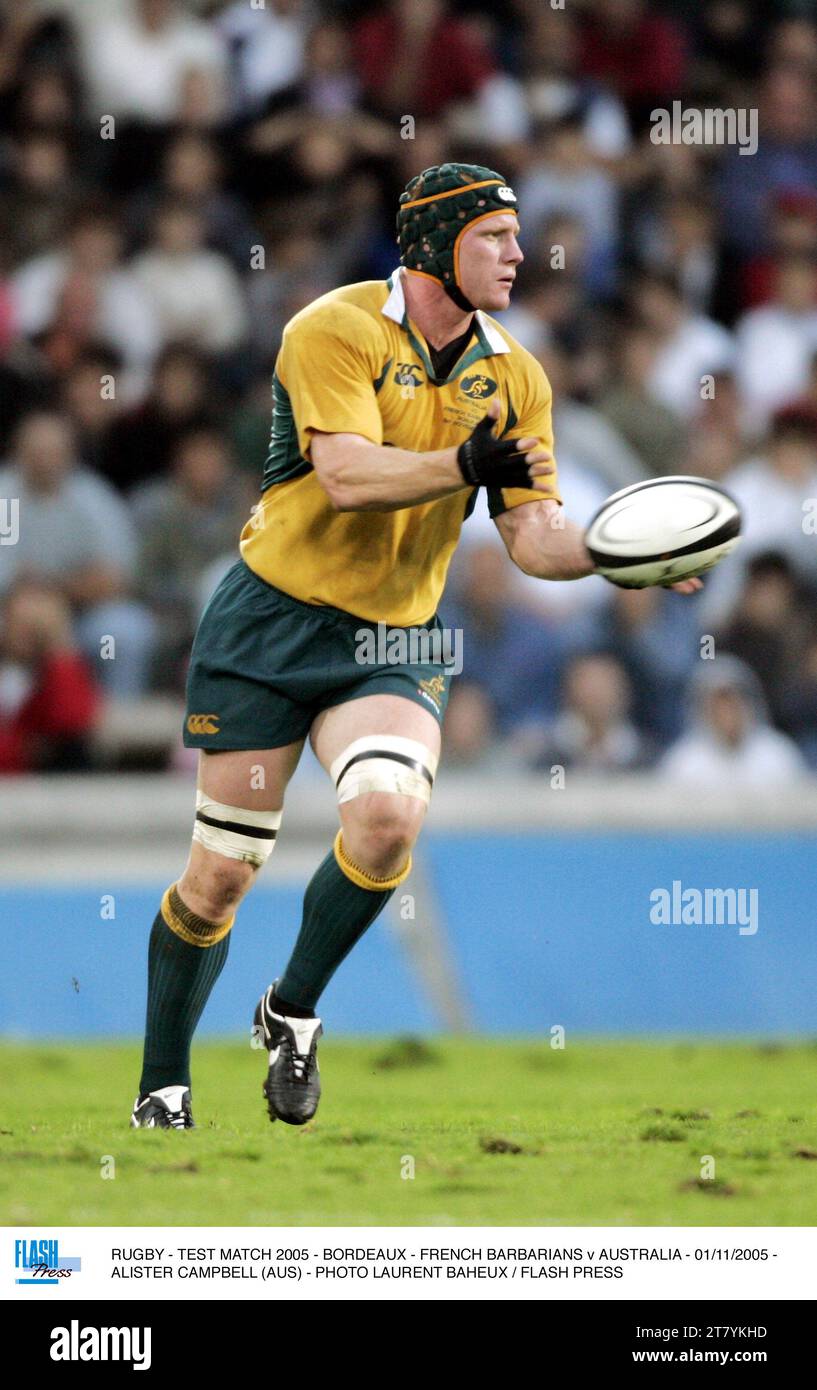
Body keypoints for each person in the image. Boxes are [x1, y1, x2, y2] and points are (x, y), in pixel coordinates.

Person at [131, 162, 700, 1131]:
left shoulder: (515, 375)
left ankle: (292, 1012)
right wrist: (460, 463)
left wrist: (614, 552)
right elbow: (348, 476)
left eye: (517, 237)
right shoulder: (330, 329)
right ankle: (162, 1087)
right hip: (268, 624)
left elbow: (530, 537)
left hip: (391, 635)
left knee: (387, 819)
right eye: (495, 236)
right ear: (435, 246)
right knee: (220, 874)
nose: (520, 255)